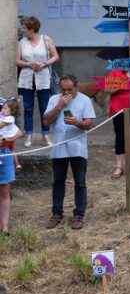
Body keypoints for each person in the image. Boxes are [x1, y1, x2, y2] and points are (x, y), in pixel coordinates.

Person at [43, 75, 95, 230]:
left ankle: (79, 214)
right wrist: (59, 106)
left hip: (78, 147)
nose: (66, 92)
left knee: (80, 182)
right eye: (63, 89)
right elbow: (46, 120)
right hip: (59, 146)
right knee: (58, 182)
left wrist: (76, 122)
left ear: (76, 87)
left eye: (69, 90)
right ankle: (56, 213)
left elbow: (88, 124)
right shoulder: (54, 99)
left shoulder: (85, 100)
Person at [15, 16, 59, 147]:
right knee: (28, 108)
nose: (22, 31)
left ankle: (45, 134)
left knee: (44, 107)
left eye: (24, 28)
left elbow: (55, 56)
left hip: (43, 77)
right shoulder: (21, 43)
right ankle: (29, 135)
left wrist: (44, 64)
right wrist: (29, 64)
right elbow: (17, 61)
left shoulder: (46, 39)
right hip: (27, 78)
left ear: (32, 29)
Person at [0, 100, 24, 235]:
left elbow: (19, 133)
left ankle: (4, 227)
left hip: (5, 153)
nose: (3, 109)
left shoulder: (5, 111)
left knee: (5, 190)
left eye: (5, 108)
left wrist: (5, 140)